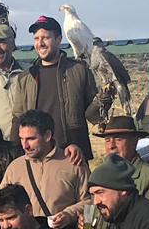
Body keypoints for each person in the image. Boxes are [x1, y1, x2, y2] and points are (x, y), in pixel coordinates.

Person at [27, 13, 100, 161]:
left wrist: (103, 100)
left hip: (73, 156)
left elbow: (94, 115)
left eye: (45, 38)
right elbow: (19, 118)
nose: (40, 43)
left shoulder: (79, 71)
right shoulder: (26, 78)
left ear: (58, 40)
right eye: (36, 38)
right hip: (37, 156)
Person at [0, 109, 88, 229]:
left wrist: (69, 215)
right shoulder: (15, 168)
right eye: (21, 139)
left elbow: (90, 202)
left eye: (30, 139)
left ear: (47, 136)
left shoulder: (74, 163)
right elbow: (1, 204)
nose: (24, 146)